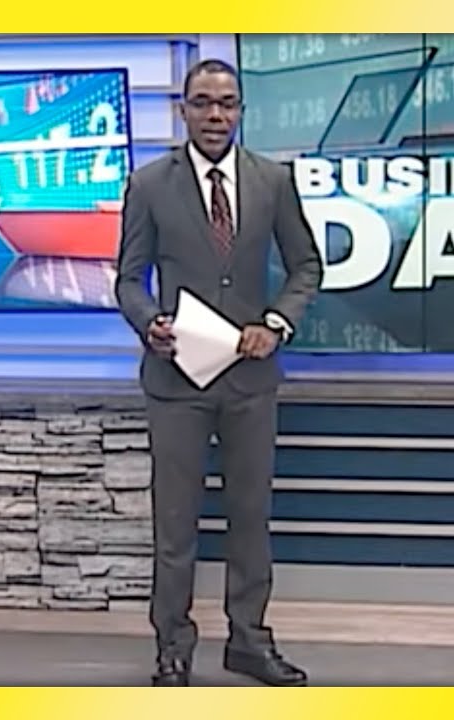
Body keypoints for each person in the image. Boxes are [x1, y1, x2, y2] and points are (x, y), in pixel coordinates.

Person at [114, 58, 324, 687]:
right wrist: (149, 322)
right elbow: (128, 279)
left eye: (226, 103)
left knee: (250, 517)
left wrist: (276, 324)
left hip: (250, 382)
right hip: (176, 381)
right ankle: (173, 648)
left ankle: (250, 642)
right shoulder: (149, 184)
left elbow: (306, 266)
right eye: (202, 102)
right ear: (183, 110)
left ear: (240, 111)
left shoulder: (272, 181)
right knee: (175, 523)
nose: (214, 115)